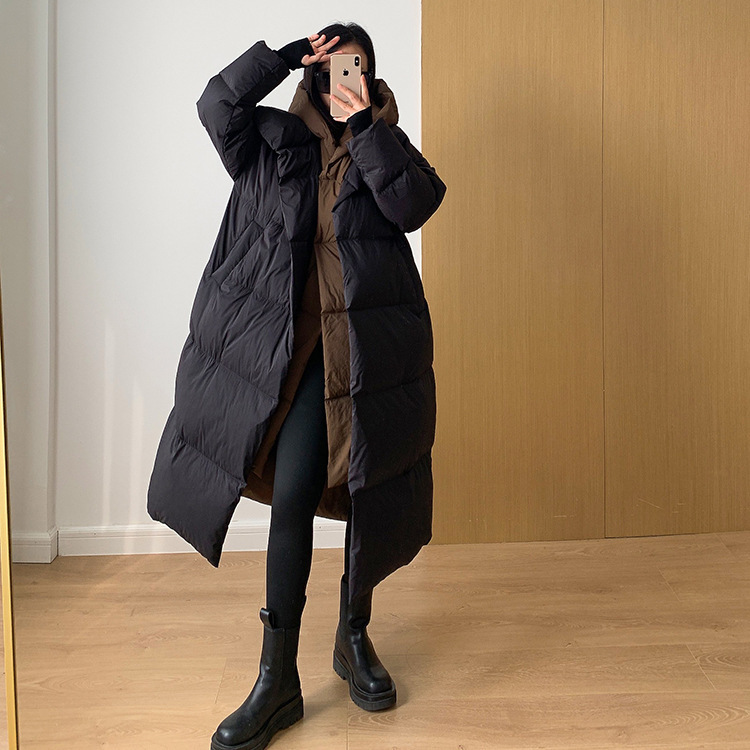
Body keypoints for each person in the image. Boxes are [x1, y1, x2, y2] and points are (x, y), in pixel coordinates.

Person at [157, 20, 446, 750]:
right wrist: (281, 57)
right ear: (313, 76)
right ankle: (276, 679)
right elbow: (215, 105)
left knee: (369, 493)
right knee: (292, 496)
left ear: (371, 75)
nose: (344, 77)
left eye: (357, 65)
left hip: (365, 355)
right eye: (330, 66)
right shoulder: (268, 143)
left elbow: (415, 206)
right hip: (289, 353)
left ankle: (353, 636)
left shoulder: (387, 148)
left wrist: (367, 129)